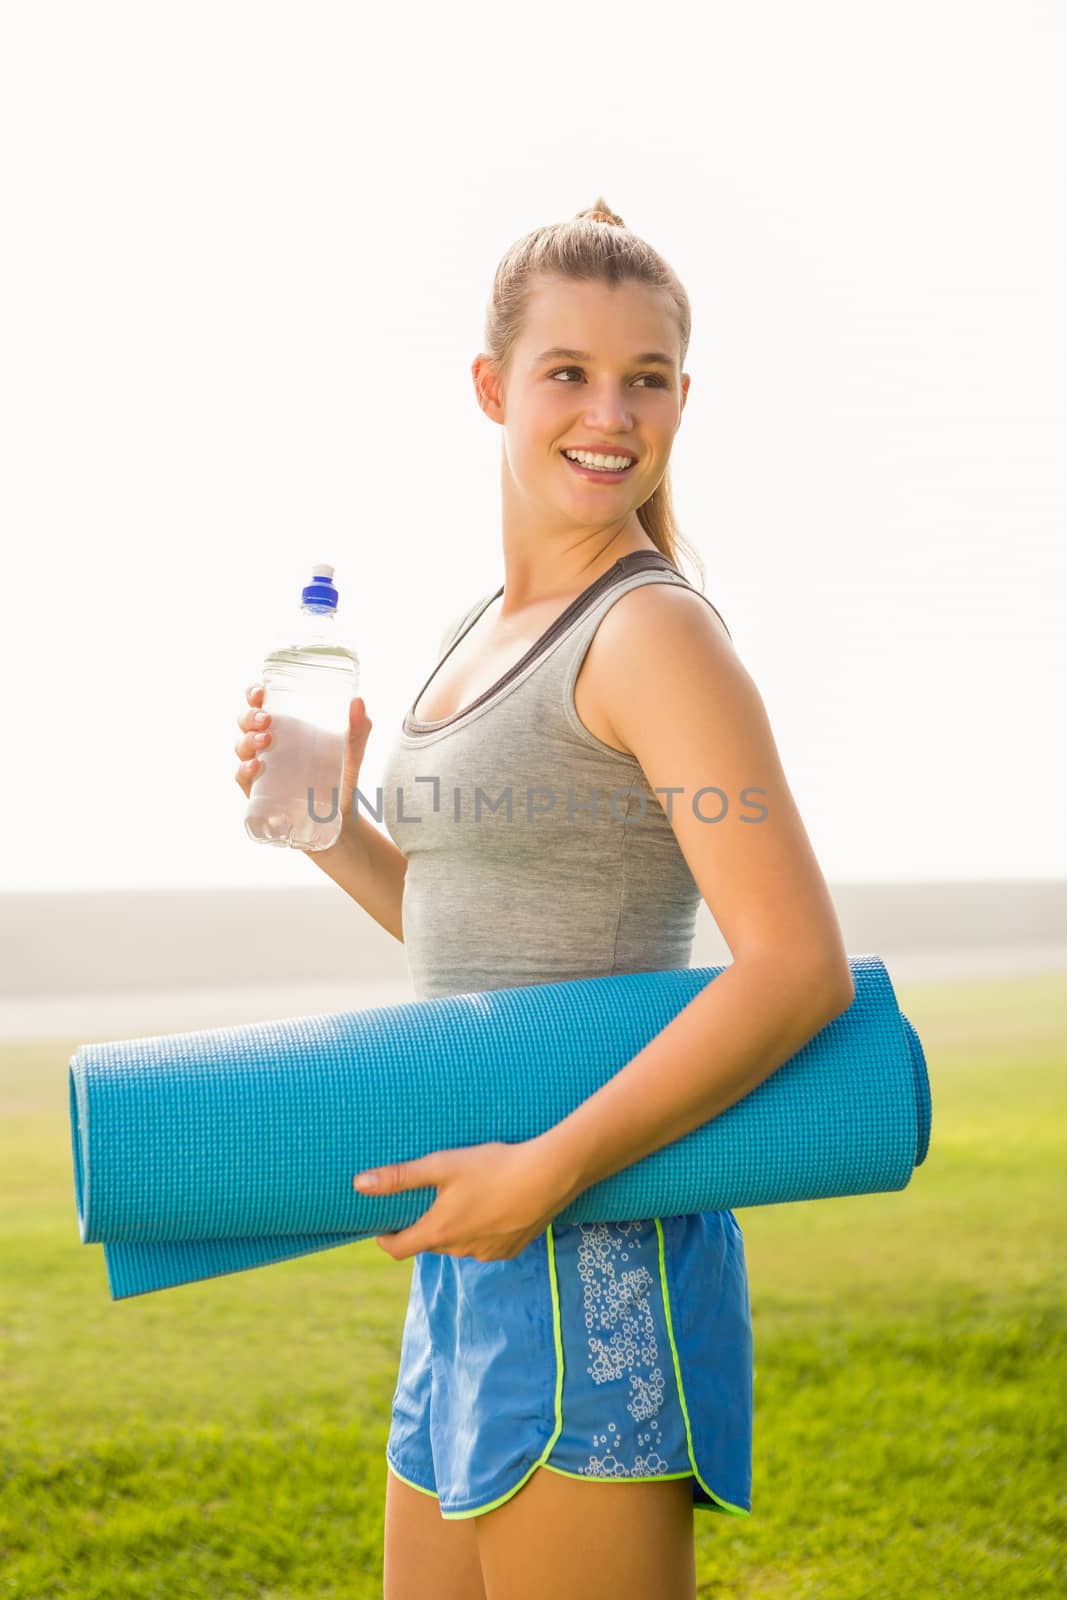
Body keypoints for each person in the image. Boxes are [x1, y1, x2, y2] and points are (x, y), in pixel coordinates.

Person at [234, 197, 854, 1600]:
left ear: (683, 399)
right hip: (478, 1243)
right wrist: (336, 833)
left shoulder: (655, 634)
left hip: (594, 1243)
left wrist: (548, 1173)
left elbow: (795, 967)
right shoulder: (480, 626)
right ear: (490, 387)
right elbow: (480, 946)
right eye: (568, 371)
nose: (610, 412)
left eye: (645, 379)